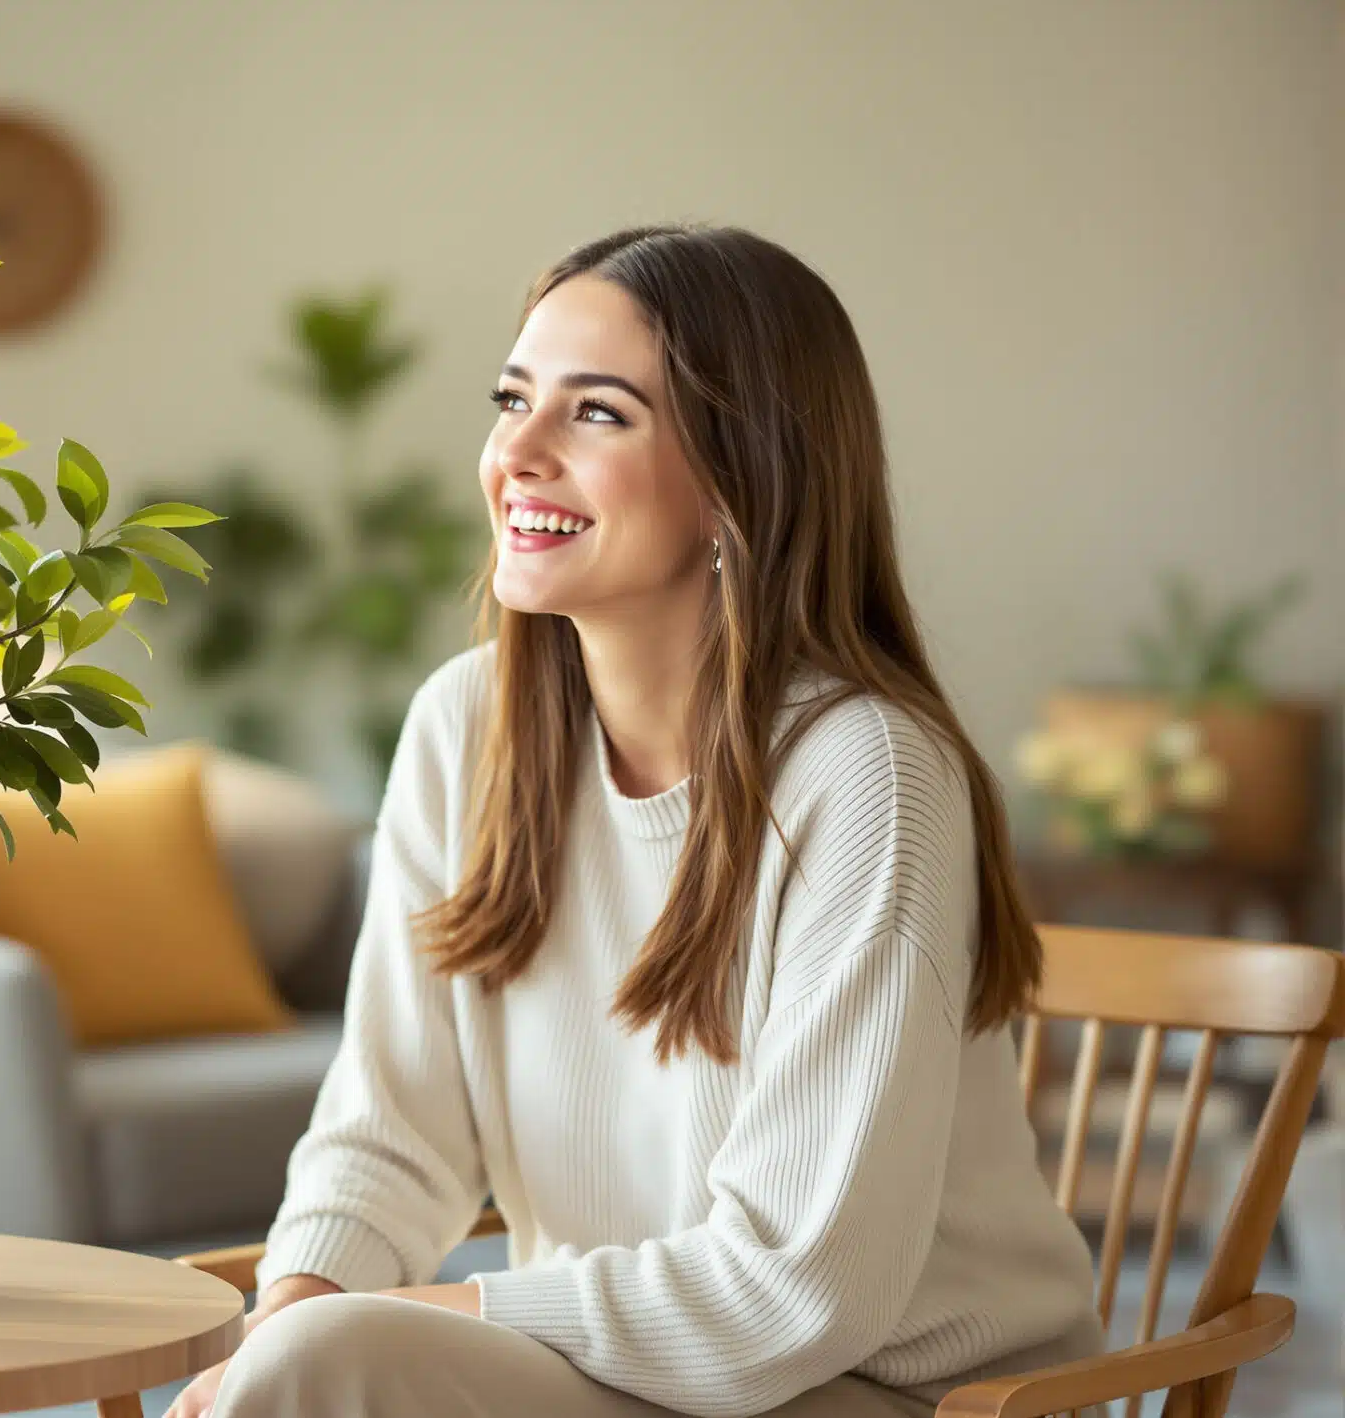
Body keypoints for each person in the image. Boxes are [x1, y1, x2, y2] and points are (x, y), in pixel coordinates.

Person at [168, 225, 1102, 1418]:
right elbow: (387, 1135)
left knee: (324, 1366)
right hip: (626, 1375)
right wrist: (290, 1311)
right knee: (300, 1357)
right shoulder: (465, 730)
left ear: (737, 478)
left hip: (898, 1392)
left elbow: (793, 1293)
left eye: (596, 414)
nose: (517, 452)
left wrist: (368, 1330)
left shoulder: (867, 773)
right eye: (513, 399)